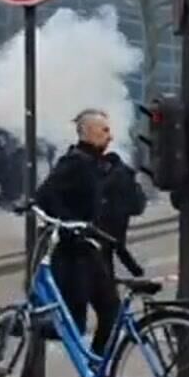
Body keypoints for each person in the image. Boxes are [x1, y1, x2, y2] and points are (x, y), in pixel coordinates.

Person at [37, 109, 119, 356]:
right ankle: (14, 325)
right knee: (72, 323)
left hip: (88, 249)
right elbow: (45, 195)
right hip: (73, 253)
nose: (110, 136)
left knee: (111, 310)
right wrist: (69, 223)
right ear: (89, 132)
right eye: (104, 130)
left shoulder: (92, 162)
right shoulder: (75, 162)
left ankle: (97, 374)